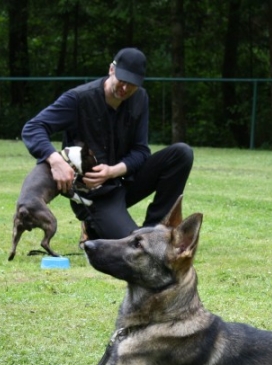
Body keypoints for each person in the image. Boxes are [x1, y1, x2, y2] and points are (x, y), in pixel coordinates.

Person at [21, 47, 194, 244]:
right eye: (123, 80)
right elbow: (33, 127)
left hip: (124, 179)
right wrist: (55, 160)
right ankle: (92, 225)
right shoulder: (78, 99)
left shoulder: (140, 99)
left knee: (182, 154)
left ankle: (156, 230)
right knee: (132, 246)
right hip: (95, 194)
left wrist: (112, 171)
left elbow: (141, 150)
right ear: (111, 69)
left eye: (132, 84)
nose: (125, 89)